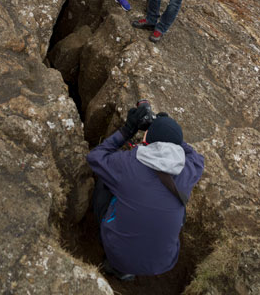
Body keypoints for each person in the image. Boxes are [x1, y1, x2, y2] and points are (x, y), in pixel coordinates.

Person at [87, 106, 204, 280]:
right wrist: (169, 130)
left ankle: (120, 270)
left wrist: (128, 129)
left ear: (146, 140)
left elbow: (95, 157)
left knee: (106, 181)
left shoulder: (126, 164)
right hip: (164, 263)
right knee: (177, 202)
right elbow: (197, 157)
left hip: (119, 257)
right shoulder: (188, 170)